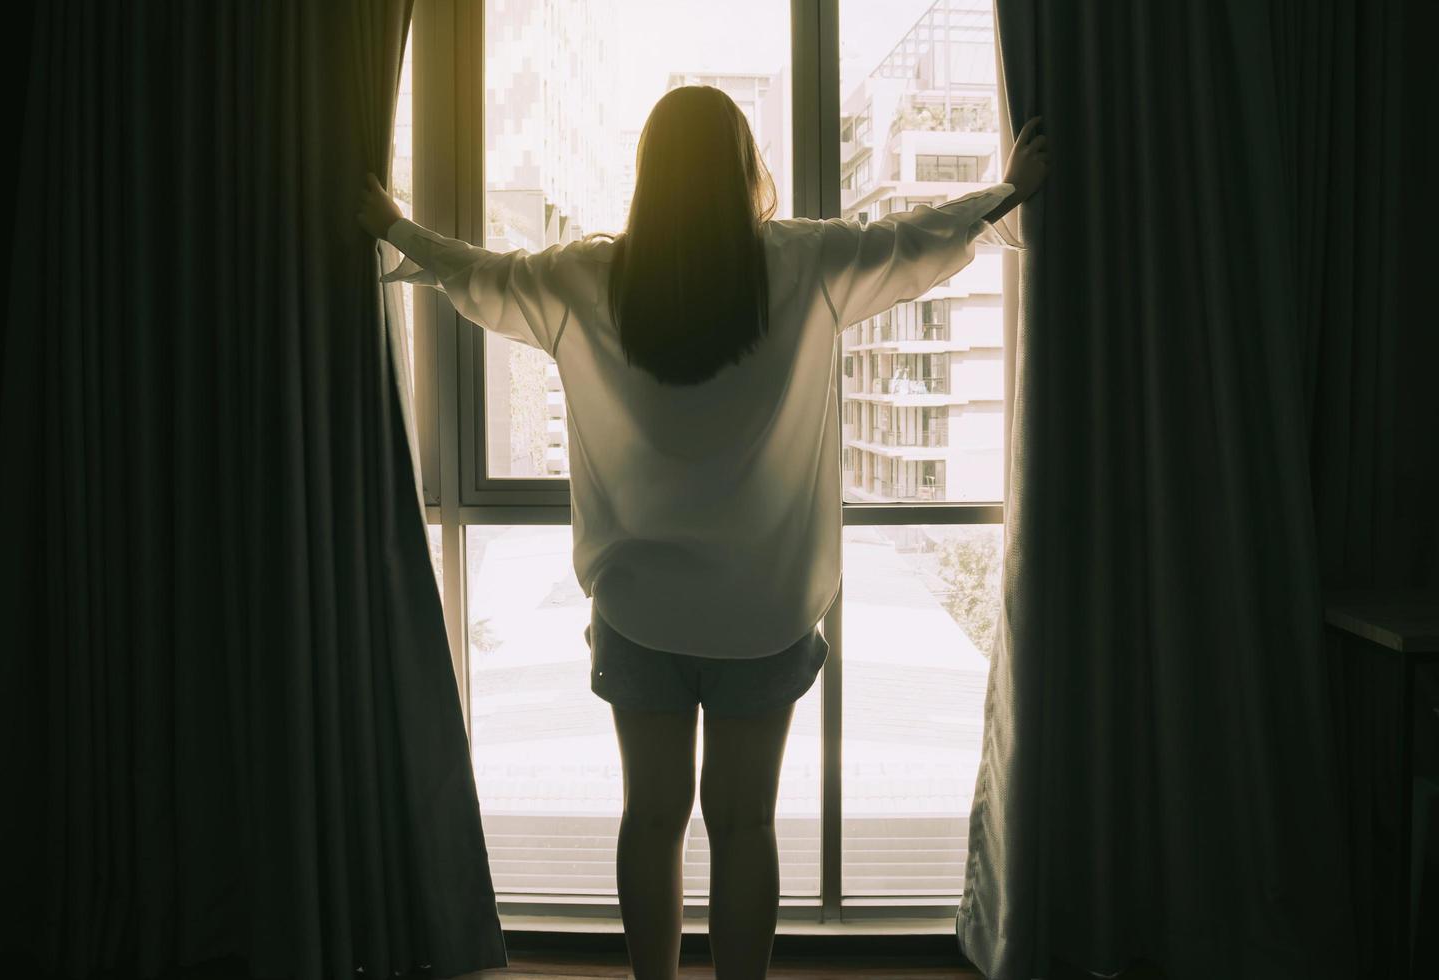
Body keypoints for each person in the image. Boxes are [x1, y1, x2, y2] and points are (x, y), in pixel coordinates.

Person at [357, 84, 1046, 980]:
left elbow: (479, 276)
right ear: (743, 169)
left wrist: (396, 225)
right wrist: (1006, 193)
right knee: (746, 823)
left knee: (650, 817)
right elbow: (919, 240)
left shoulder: (590, 276)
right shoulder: (804, 263)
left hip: (640, 609)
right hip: (765, 610)